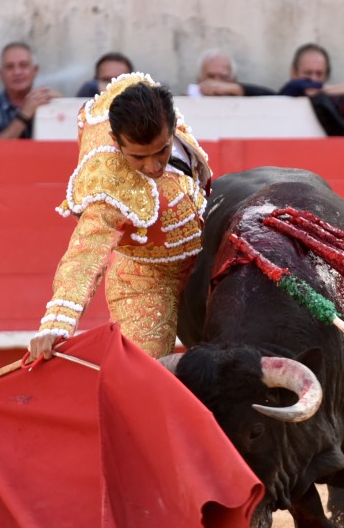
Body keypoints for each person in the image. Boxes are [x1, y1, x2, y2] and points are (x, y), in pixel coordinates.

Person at [29, 73, 212, 362]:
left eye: (162, 151)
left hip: (209, 247)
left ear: (173, 127)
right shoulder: (107, 185)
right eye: (138, 157)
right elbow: (85, 254)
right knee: (143, 377)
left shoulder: (147, 103)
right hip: (146, 277)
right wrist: (56, 324)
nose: (153, 166)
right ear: (116, 141)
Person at [0, 42, 60, 139]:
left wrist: (62, 105)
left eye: (23, 65)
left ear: (35, 70)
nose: (17, 72)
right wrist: (24, 115)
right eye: (10, 67)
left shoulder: (47, 102)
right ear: (1, 74)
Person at [278, 43, 344, 98]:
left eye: (319, 74)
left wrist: (324, 90)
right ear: (294, 73)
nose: (313, 79)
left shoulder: (330, 95)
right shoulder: (288, 92)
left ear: (327, 75)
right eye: (307, 73)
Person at [185, 49, 275, 97]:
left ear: (233, 80)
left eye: (223, 77)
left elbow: (275, 97)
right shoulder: (188, 100)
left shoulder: (240, 95)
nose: (217, 83)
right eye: (211, 76)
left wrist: (238, 90)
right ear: (200, 79)